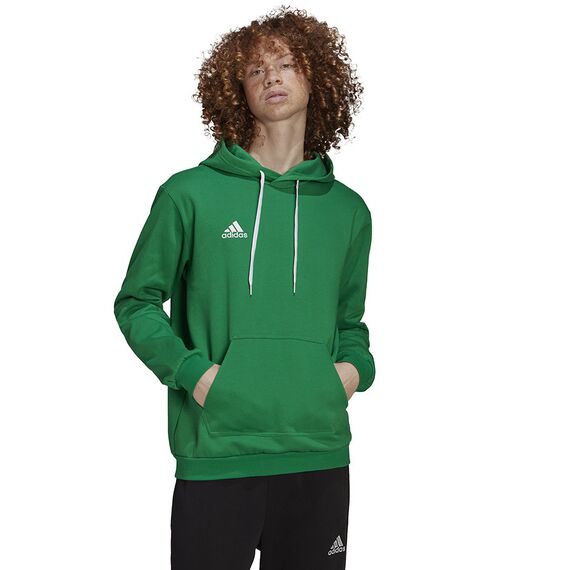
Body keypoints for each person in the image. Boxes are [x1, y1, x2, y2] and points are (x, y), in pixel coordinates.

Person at [113, 7, 375, 569]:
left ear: (318, 77)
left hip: (318, 456)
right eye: (256, 70)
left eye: (287, 64)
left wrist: (354, 370)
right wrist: (195, 375)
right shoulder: (189, 194)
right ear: (236, 90)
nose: (272, 76)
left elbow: (349, 321)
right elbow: (136, 302)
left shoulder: (348, 210)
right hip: (217, 455)